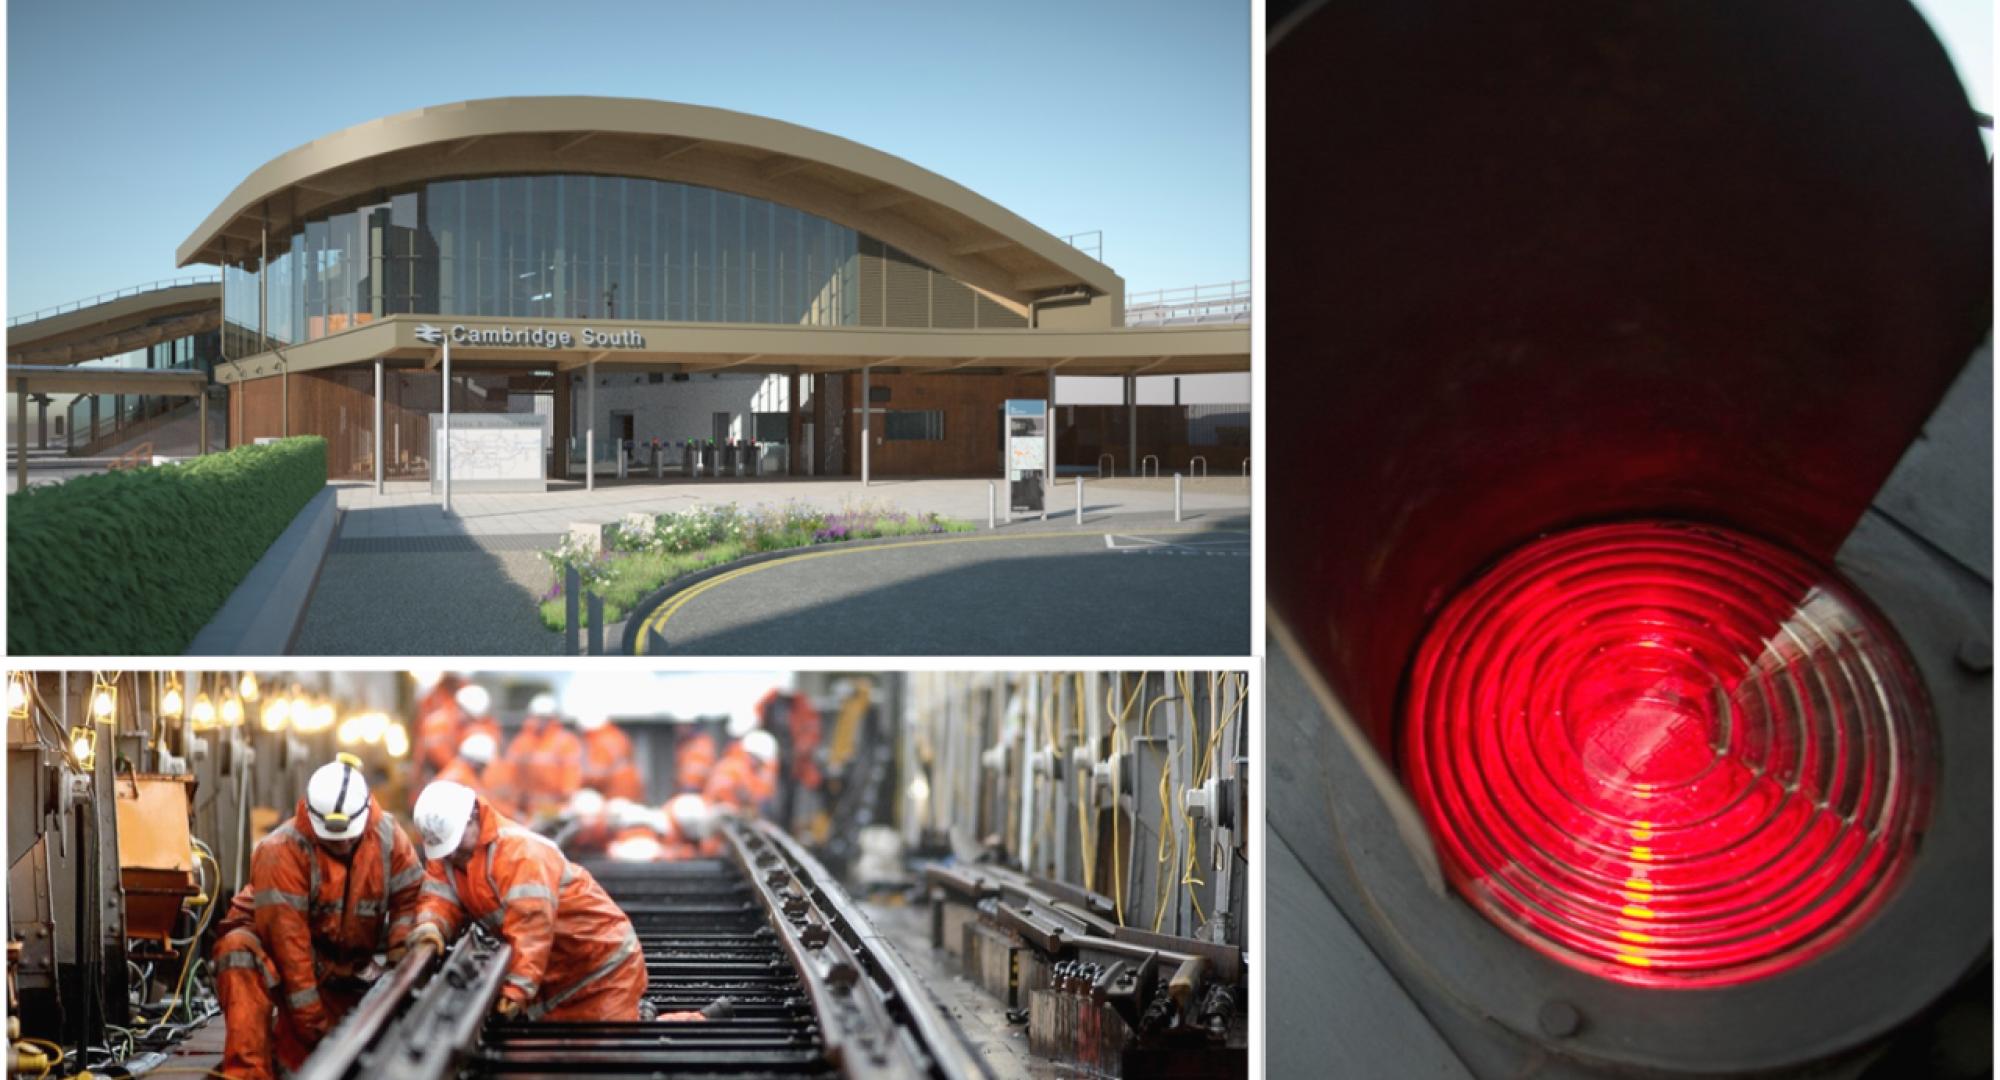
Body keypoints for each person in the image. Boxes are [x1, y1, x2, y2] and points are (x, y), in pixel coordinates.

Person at [212, 756, 426, 1080]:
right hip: (286, 962)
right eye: (332, 836)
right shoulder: (281, 851)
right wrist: (315, 1029)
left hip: (340, 965)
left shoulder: (387, 837)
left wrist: (399, 952)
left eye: (348, 835)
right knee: (238, 950)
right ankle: (248, 1073)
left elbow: (410, 896)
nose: (341, 843)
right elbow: (289, 948)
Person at [409, 781, 647, 1022]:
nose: (451, 854)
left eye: (456, 844)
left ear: (474, 817)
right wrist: (430, 925)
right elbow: (440, 896)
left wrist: (517, 988)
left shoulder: (519, 854)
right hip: (556, 971)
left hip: (602, 965)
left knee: (607, 1050)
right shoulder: (450, 855)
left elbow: (531, 926)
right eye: (445, 849)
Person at [504, 694, 584, 820]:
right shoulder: (521, 742)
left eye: (545, 718)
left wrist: (563, 805)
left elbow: (570, 781)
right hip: (526, 810)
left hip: (553, 810)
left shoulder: (565, 742)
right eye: (538, 717)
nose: (540, 722)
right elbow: (510, 775)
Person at [703, 730, 778, 815]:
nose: (761, 766)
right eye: (761, 762)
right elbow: (741, 797)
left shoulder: (737, 764)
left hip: (725, 810)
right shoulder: (736, 769)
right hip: (717, 810)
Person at [578, 712, 645, 802]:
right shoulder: (616, 735)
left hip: (616, 793)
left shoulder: (600, 740)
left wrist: (579, 782)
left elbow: (598, 774)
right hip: (629, 789)